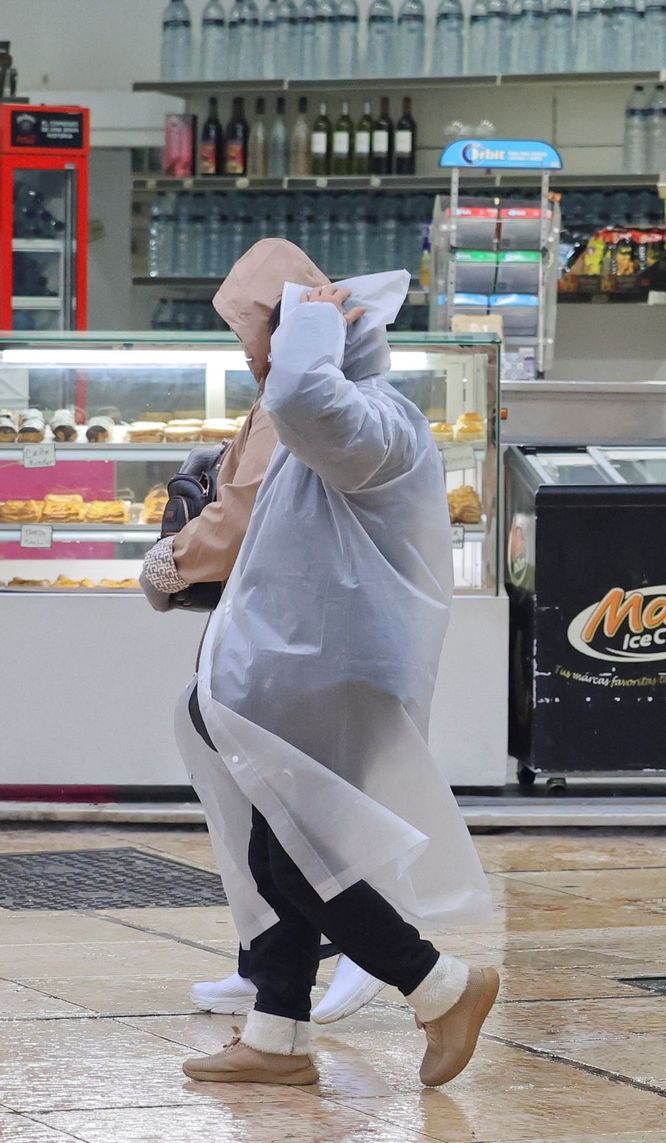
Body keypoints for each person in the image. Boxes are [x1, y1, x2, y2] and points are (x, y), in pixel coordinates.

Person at [150, 242, 498, 1086]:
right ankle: (278, 1036)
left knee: (295, 857)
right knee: (281, 849)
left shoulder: (371, 422)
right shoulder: (342, 422)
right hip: (304, 677)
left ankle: (441, 984)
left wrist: (308, 321)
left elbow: (302, 396)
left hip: (336, 680)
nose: (248, 349)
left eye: (258, 329)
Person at [140, 241, 384, 1028]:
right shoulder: (296, 394)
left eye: (250, 325)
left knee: (296, 814)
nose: (245, 343)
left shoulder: (305, 401)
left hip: (303, 642)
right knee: (250, 789)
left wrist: (168, 562)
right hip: (287, 631)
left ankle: (383, 956)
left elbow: (241, 516)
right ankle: (274, 962)